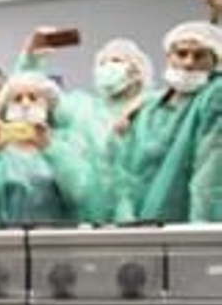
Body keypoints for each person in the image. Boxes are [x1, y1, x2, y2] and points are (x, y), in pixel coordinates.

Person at [17, 29, 153, 222]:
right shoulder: (83, 109)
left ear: (138, 70)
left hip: (148, 215)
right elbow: (26, 90)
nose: (107, 67)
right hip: (89, 217)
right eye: (101, 63)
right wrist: (31, 59)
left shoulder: (154, 109)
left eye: (116, 61)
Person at [110, 21, 222, 222]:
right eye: (181, 54)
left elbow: (209, 178)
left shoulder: (214, 97)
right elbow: (124, 169)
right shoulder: (149, 105)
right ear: (168, 57)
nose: (188, 62)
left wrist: (202, 233)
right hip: (140, 223)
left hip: (186, 229)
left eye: (199, 55)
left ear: (215, 61)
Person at [0, 72, 94, 226]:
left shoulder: (66, 144)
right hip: (4, 244)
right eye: (17, 99)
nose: (25, 104)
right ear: (5, 107)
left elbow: (80, 195)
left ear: (48, 104)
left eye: (33, 97)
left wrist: (50, 149)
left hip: (57, 243)